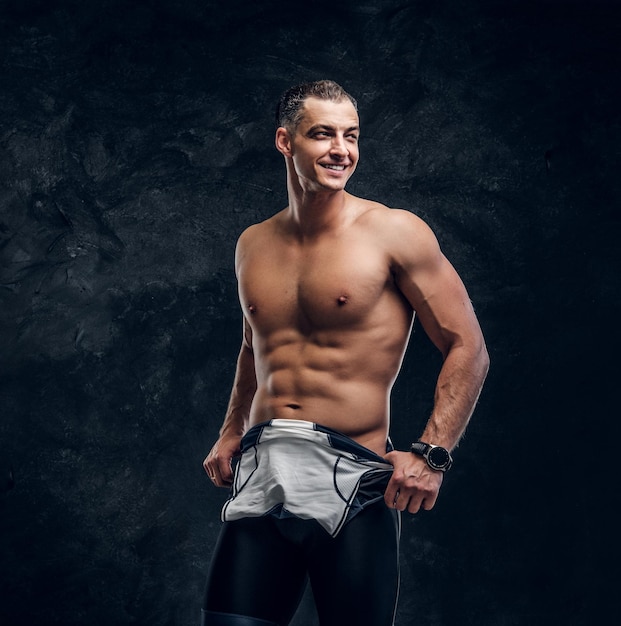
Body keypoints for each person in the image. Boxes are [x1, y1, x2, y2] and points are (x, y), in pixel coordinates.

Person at [200, 80, 489, 626]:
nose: (342, 150)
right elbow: (251, 346)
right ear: (286, 142)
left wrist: (433, 453)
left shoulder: (394, 233)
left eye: (351, 136)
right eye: (323, 134)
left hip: (353, 482)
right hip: (264, 477)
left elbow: (468, 344)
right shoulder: (252, 244)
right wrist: (230, 428)